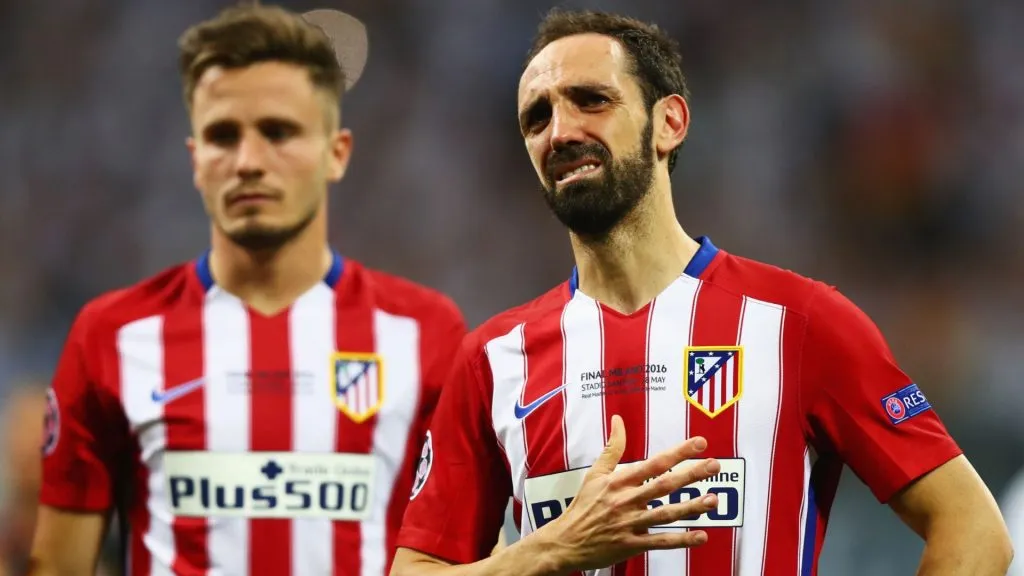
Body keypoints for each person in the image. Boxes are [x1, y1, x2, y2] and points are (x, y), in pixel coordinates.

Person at [391, 8, 1013, 576]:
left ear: (669, 122)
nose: (560, 131)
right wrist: (553, 548)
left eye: (591, 100)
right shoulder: (493, 361)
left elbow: (975, 529)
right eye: (538, 116)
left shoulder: (799, 322)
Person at [28, 5, 466, 575]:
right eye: (222, 136)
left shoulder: (426, 333)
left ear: (338, 153)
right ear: (195, 159)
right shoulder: (112, 336)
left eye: (278, 132)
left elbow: (457, 559)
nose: (249, 162)